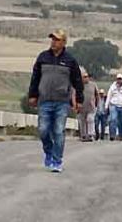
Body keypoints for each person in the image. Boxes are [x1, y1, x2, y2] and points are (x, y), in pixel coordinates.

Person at [28, 29, 84, 173]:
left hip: (62, 102)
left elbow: (77, 81)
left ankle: (57, 160)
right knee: (43, 130)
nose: (53, 42)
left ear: (63, 42)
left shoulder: (70, 61)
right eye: (52, 39)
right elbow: (35, 77)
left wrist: (79, 100)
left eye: (57, 40)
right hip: (44, 100)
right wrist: (32, 95)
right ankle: (48, 151)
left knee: (58, 131)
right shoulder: (43, 57)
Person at [105, 73, 122, 141]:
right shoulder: (112, 87)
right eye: (118, 79)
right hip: (113, 104)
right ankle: (112, 135)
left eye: (120, 79)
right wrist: (106, 105)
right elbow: (109, 96)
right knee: (113, 119)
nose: (119, 80)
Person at [77, 68, 99, 142]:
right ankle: (83, 135)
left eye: (87, 77)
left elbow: (97, 95)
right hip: (81, 107)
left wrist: (97, 104)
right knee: (82, 121)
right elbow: (74, 94)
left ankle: (90, 134)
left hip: (91, 107)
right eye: (84, 77)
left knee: (90, 119)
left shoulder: (93, 85)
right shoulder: (78, 85)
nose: (86, 78)